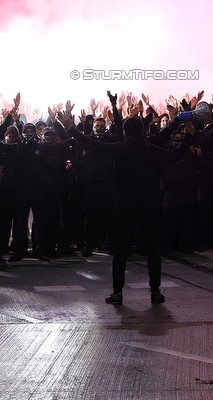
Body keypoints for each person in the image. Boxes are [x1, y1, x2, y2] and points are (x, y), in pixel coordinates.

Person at [58, 101, 191, 305]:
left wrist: (70, 127)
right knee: (152, 251)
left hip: (124, 206)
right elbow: (175, 154)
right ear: (143, 131)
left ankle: (118, 292)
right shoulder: (151, 149)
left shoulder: (119, 150)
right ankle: (155, 291)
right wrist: (189, 134)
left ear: (125, 133)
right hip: (149, 205)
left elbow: (90, 144)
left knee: (120, 251)